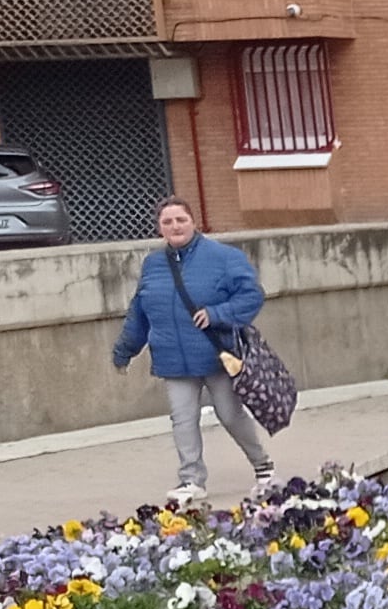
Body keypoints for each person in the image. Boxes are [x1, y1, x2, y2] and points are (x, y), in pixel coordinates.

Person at [111, 199, 275, 500]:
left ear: (194, 222)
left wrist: (218, 313)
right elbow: (140, 310)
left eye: (181, 219)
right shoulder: (153, 264)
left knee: (230, 415)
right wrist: (124, 351)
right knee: (182, 418)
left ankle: (263, 466)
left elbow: (252, 295)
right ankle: (191, 479)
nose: (175, 226)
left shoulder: (224, 257)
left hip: (215, 355)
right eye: (168, 221)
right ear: (159, 227)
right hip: (172, 358)